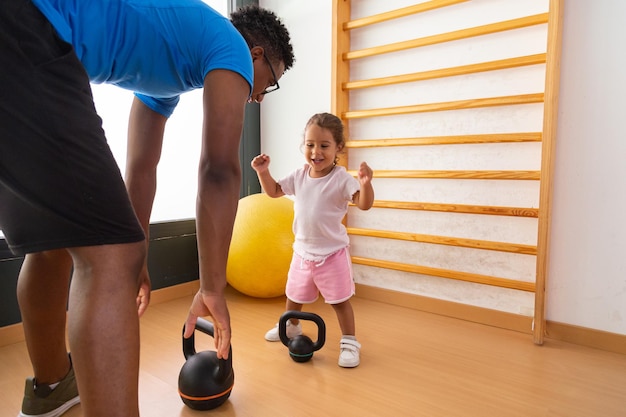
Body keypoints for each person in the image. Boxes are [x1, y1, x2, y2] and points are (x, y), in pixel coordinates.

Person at [0, 0, 294, 416]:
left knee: (54, 243)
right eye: (270, 82)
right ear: (256, 55)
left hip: (18, 38)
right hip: (29, 27)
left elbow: (141, 167)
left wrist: (136, 256)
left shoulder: (167, 67)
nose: (260, 95)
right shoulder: (231, 45)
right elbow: (218, 170)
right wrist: (211, 288)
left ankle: (50, 390)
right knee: (106, 253)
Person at [251, 112, 374, 368]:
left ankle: (350, 343)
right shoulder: (299, 175)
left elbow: (363, 204)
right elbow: (274, 191)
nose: (316, 152)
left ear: (338, 147)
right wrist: (263, 172)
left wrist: (366, 184)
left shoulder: (340, 179)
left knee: (340, 301)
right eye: (310, 145)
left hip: (332, 254)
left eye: (324, 146)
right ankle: (291, 326)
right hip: (302, 252)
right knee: (293, 295)